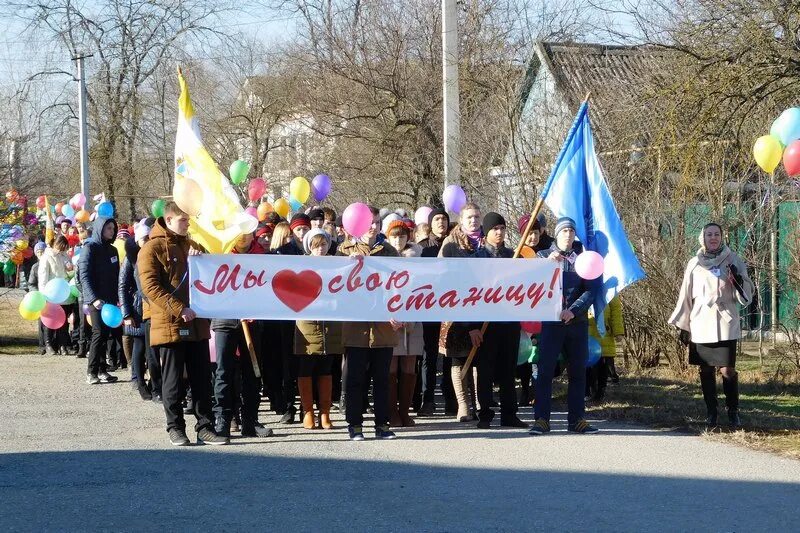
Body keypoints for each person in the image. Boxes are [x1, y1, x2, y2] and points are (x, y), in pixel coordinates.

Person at [138, 202, 227, 446]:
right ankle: (175, 427)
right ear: (168, 220)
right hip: (169, 324)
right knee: (173, 380)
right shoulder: (151, 249)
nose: (188, 224)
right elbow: (151, 287)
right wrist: (179, 309)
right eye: (183, 220)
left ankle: (205, 426)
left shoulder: (192, 246)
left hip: (197, 324)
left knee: (201, 379)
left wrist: (202, 259)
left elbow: (214, 274)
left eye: (188, 220)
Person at [669, 223, 754, 429]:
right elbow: (685, 295)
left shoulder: (733, 259)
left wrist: (738, 280)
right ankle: (711, 412)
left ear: (722, 237)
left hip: (725, 321)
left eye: (716, 234)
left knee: (727, 370)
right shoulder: (694, 264)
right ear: (703, 238)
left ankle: (733, 411)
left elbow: (746, 293)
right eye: (709, 234)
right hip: (701, 323)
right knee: (706, 370)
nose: (713, 238)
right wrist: (683, 324)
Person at [530, 217, 598, 435]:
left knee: (578, 373)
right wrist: (546, 266)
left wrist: (574, 310)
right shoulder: (543, 256)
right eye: (564, 231)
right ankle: (542, 419)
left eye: (571, 231)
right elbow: (530, 286)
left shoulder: (583, 258)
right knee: (545, 372)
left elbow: (591, 290)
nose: (568, 234)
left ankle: (577, 419)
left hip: (577, 324)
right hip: (550, 324)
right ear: (556, 234)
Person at [338, 206, 399, 441]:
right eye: (368, 222)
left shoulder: (389, 252)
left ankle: (383, 424)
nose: (373, 227)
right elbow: (333, 286)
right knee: (355, 378)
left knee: (382, 379)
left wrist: (398, 311)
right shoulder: (343, 252)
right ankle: (355, 424)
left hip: (383, 328)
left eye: (376, 222)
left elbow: (401, 285)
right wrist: (346, 267)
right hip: (356, 328)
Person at [211, 230, 274, 439]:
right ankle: (223, 420)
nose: (244, 237)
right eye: (240, 233)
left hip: (252, 321)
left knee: (253, 372)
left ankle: (250, 420)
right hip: (224, 319)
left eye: (248, 233)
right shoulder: (219, 252)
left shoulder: (261, 257)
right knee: (224, 371)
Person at [469, 213, 527, 429]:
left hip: (509, 322)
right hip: (486, 324)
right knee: (485, 371)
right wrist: (472, 327)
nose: (499, 232)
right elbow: (468, 295)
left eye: (502, 228)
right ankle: (485, 414)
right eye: (495, 229)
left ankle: (509, 414)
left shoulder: (514, 257)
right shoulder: (476, 259)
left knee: (508, 370)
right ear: (486, 232)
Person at [294, 228, 341, 429]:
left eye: (323, 245)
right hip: (306, 323)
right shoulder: (301, 266)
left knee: (326, 367)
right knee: (306, 367)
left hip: (330, 323)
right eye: (315, 245)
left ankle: (325, 412)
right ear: (309, 248)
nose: (320, 249)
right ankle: (307, 412)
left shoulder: (337, 265)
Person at [385, 220, 423, 427]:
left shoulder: (418, 259)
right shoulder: (382, 258)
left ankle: (405, 412)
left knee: (409, 367)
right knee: (390, 368)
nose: (398, 240)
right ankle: (392, 413)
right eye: (394, 236)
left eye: (401, 236)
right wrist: (387, 316)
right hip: (389, 321)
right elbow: (378, 290)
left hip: (413, 321)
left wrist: (411, 317)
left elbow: (423, 292)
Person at [417, 207, 455, 415]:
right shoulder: (422, 249)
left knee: (450, 354)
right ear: (430, 223)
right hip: (429, 307)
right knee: (429, 356)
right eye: (437, 219)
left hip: (451, 307)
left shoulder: (455, 245)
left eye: (444, 219)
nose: (441, 222)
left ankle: (451, 398)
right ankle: (427, 399)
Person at [78, 214, 121, 385]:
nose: (111, 231)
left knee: (106, 334)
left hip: (110, 300)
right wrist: (93, 298)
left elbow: (116, 276)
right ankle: (91, 372)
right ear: (100, 228)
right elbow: (84, 275)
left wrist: (117, 298)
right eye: (108, 228)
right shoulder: (90, 248)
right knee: (98, 333)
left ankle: (103, 370)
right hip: (96, 300)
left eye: (113, 228)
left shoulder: (113, 250)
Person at [120, 221, 151, 400]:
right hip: (137, 308)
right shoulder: (131, 259)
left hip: (152, 308)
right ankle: (139, 382)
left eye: (149, 237)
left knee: (151, 348)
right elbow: (123, 285)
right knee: (139, 346)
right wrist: (127, 313)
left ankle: (155, 382)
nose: (147, 241)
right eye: (144, 238)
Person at [38, 236, 73, 355]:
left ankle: (62, 344)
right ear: (55, 244)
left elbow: (69, 273)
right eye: (60, 247)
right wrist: (43, 294)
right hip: (51, 292)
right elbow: (43, 276)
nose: (61, 250)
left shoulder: (64, 256)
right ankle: (48, 344)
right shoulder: (46, 257)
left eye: (64, 248)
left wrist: (70, 268)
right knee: (50, 320)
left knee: (63, 320)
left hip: (63, 292)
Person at [586, 296, 624, 401]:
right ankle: (589, 391)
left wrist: (618, 331)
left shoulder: (610, 291)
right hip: (588, 334)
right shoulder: (584, 287)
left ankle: (600, 393)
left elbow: (616, 311)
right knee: (589, 366)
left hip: (605, 333)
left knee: (603, 367)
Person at [28, 241, 46, 355]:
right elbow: (31, 284)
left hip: (52, 297)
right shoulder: (35, 267)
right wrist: (37, 294)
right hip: (40, 297)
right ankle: (42, 344)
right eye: (38, 252)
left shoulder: (50, 264)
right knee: (42, 323)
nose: (40, 254)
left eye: (42, 251)